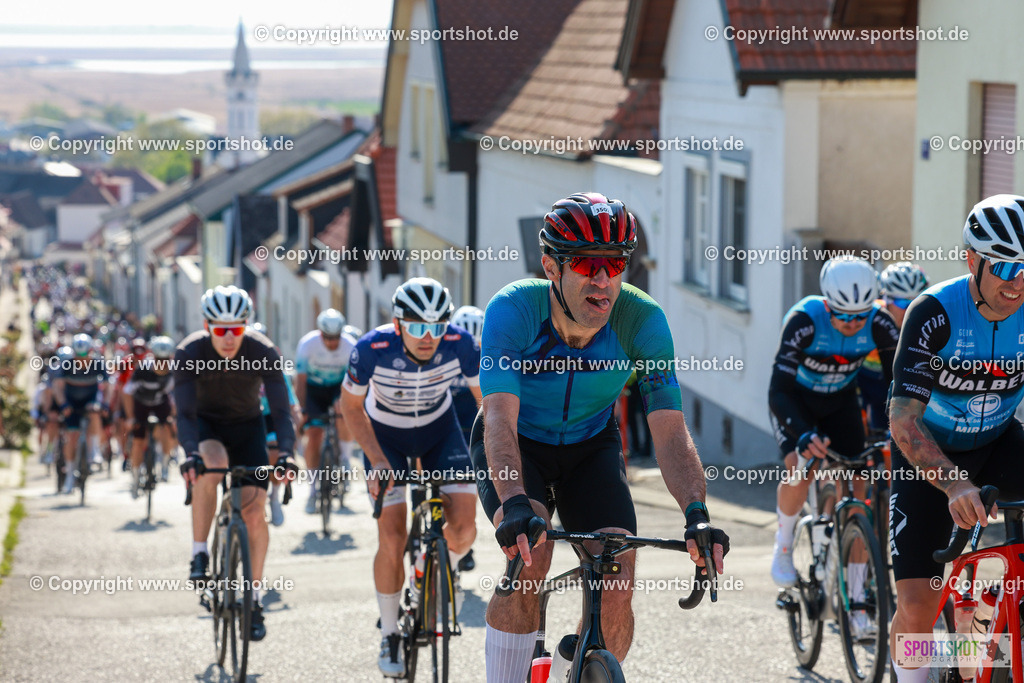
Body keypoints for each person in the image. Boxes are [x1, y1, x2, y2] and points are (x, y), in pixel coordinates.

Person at [474, 192, 728, 683]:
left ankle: (578, 673)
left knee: (618, 572)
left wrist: (696, 514)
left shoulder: (643, 321)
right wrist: (514, 502)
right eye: (589, 264)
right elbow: (500, 419)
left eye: (615, 264)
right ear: (551, 266)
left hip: (592, 444)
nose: (604, 280)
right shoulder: (513, 310)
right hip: (519, 445)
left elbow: (670, 430)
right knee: (533, 553)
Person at [888, 195, 1024, 682]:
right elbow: (903, 420)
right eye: (1007, 267)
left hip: (999, 444)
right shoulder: (935, 312)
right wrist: (953, 484)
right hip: (929, 458)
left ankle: (999, 644)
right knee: (918, 609)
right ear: (972, 259)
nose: (1018, 283)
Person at [340, 277, 481, 678]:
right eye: (418, 327)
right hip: (386, 440)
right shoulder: (370, 349)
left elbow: (485, 401)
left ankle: (438, 570)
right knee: (392, 537)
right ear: (398, 324)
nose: (428, 337)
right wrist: (376, 460)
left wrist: (498, 451)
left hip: (440, 431)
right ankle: (389, 632)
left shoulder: (461, 345)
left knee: (465, 528)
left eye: (437, 327)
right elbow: (350, 408)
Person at [768, 256, 900, 601]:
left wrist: (899, 427)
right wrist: (802, 433)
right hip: (796, 403)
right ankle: (783, 544)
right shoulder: (804, 321)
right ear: (828, 304)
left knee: (859, 494)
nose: (853, 323)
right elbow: (777, 391)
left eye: (860, 316)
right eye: (843, 315)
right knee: (800, 467)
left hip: (840, 402)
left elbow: (899, 383)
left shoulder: (880, 323)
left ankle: (855, 594)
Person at [175, 285, 297, 642]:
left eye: (237, 329)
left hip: (247, 429)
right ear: (207, 325)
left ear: (247, 325)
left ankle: (254, 600)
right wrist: (189, 453)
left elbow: (280, 409)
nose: (229, 338)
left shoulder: (263, 351)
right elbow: (183, 412)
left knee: (255, 513)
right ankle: (199, 553)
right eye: (220, 330)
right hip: (206, 425)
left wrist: (287, 452)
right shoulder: (190, 352)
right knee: (211, 464)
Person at [294, 309, 357, 514]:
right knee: (313, 436)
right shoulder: (307, 344)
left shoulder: (350, 347)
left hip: (338, 387)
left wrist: (347, 404)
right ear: (320, 334)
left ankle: (345, 458)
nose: (332, 343)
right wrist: (302, 409)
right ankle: (313, 490)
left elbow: (353, 383)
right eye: (327, 338)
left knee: (342, 409)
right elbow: (300, 382)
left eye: (336, 338)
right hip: (313, 389)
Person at [857, 262, 929, 433]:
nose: (910, 309)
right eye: (903, 303)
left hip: (892, 386)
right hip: (861, 383)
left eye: (916, 302)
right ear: (886, 299)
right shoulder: (870, 318)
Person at [51, 333, 109, 494]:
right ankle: (70, 473)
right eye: (78, 356)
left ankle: (95, 450)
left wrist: (104, 404)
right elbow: (57, 386)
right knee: (71, 436)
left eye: (85, 355)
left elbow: (107, 386)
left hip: (90, 400)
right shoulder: (67, 365)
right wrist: (63, 404)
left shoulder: (98, 364)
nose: (82, 360)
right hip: (71, 403)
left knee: (94, 413)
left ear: (91, 352)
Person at [123, 336, 177, 497]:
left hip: (161, 401)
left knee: (168, 428)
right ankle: (135, 474)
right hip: (141, 403)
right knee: (139, 441)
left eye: (166, 359)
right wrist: (130, 417)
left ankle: (165, 464)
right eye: (159, 358)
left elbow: (178, 396)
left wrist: (174, 416)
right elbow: (127, 392)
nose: (162, 362)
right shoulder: (142, 370)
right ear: (152, 356)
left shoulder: (174, 371)